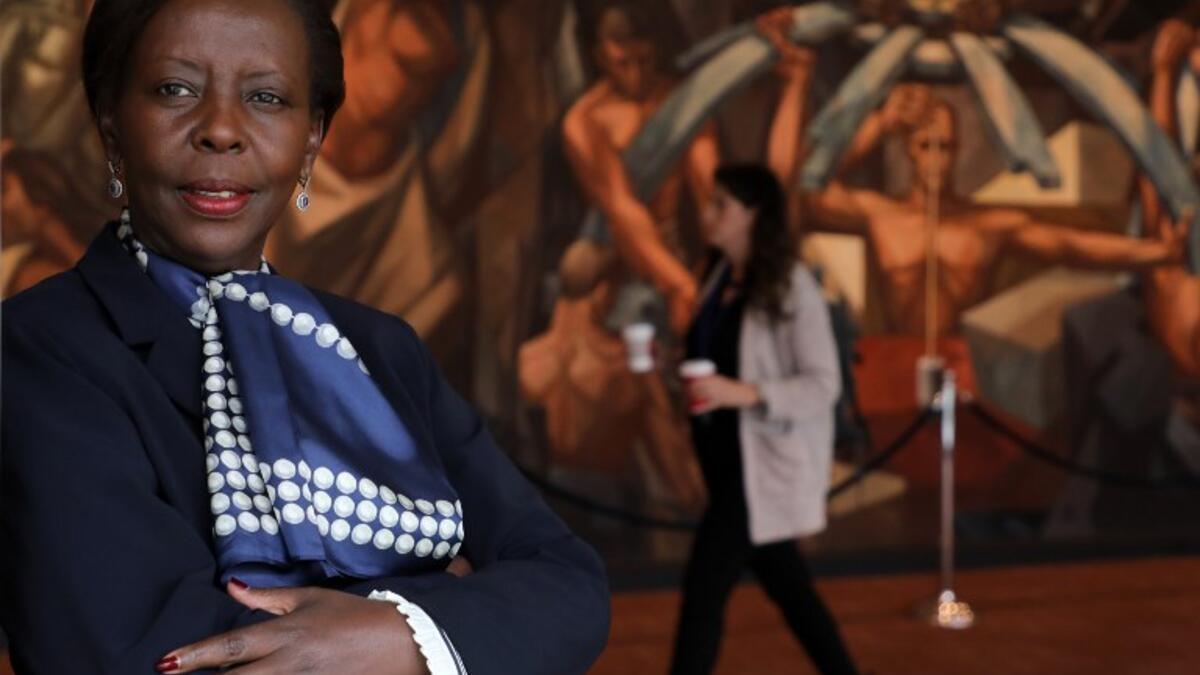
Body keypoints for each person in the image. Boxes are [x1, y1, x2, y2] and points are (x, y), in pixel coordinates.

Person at [0, 1, 609, 674]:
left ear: (312, 138)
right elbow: (142, 650)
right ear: (110, 121)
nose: (223, 130)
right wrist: (448, 602)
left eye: (266, 97)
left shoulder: (383, 348)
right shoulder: (36, 349)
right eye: (176, 89)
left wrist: (394, 633)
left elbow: (571, 587)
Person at [517, 4, 810, 508]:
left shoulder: (682, 100)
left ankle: (715, 492)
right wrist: (678, 286)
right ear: (596, 51)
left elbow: (708, 190)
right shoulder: (585, 121)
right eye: (617, 43)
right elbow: (622, 212)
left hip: (679, 263)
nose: (631, 56)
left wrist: (707, 277)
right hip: (620, 274)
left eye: (640, 42)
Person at [669, 164, 857, 675]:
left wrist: (745, 392)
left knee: (704, 588)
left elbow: (823, 383)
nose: (708, 215)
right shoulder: (717, 277)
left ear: (753, 214)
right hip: (726, 461)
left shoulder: (791, 286)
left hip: (761, 468)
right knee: (789, 587)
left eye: (720, 205)